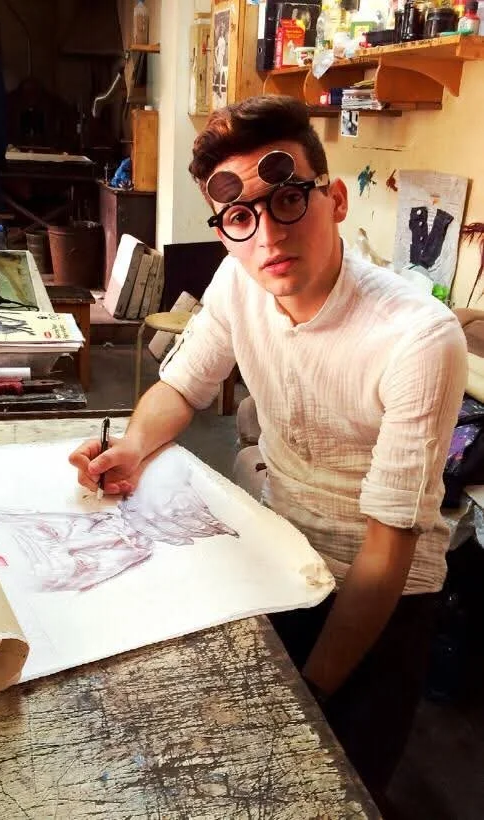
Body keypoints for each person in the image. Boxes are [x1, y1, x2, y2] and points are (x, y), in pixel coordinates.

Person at [69, 95, 467, 805]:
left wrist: (308, 689)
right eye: (239, 218)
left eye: (288, 200)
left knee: (337, 785)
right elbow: (182, 387)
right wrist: (131, 447)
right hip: (281, 556)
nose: (266, 239)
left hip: (386, 594)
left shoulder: (418, 338)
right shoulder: (237, 283)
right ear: (223, 230)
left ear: (335, 199)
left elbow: (387, 547)